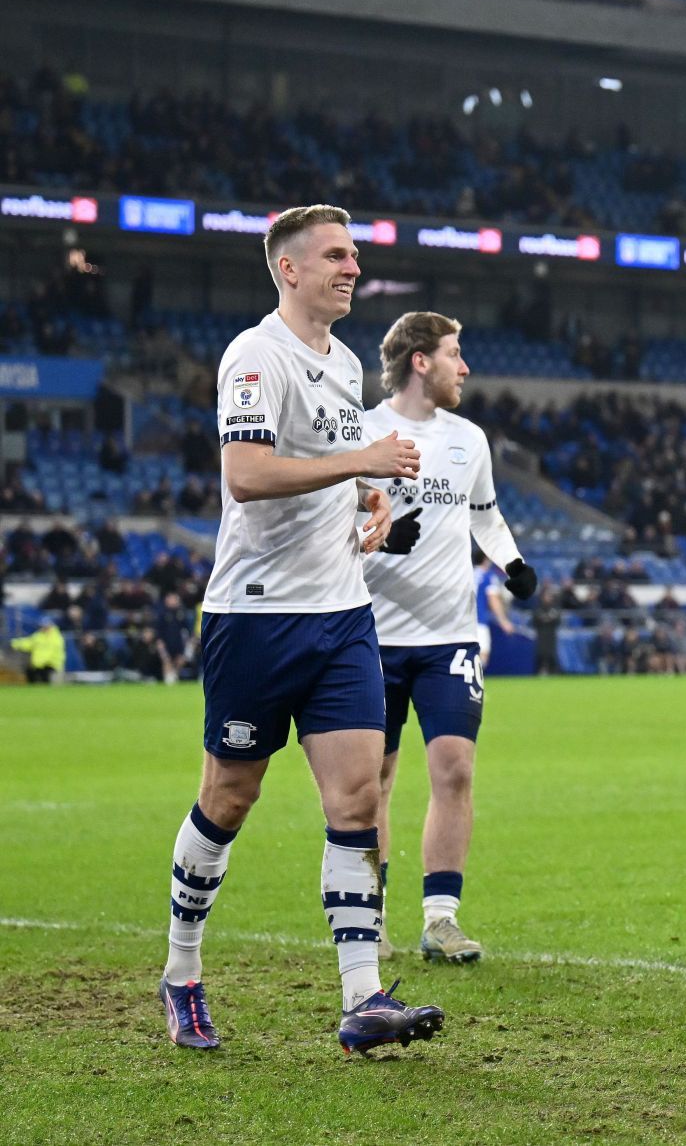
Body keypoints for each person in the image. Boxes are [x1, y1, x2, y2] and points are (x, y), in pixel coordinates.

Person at [158, 204, 448, 1056]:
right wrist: (361, 463)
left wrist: (369, 495)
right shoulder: (255, 355)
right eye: (334, 255)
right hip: (254, 617)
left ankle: (362, 999)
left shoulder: (345, 361)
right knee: (229, 797)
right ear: (289, 269)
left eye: (354, 255)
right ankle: (181, 975)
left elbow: (332, 459)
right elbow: (246, 474)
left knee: (357, 798)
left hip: (341, 616)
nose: (351, 267)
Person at [363, 311, 538, 966]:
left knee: (455, 770)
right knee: (372, 779)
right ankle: (369, 915)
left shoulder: (469, 439)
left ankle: (440, 919)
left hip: (449, 638)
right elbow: (328, 529)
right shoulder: (363, 433)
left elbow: (485, 517)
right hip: (371, 637)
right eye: (455, 354)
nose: (464, 368)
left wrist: (511, 563)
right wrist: (378, 542)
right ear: (420, 361)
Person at [472, 552, 517, 672]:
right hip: (479, 621)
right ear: (486, 560)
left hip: (463, 622)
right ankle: (475, 687)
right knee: (482, 655)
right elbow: (493, 599)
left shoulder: (467, 574)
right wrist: (504, 621)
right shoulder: (488, 576)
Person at [11, 616, 65, 683]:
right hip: (39, 664)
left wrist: (38, 663)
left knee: (44, 674)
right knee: (29, 672)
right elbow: (29, 643)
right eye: (42, 626)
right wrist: (15, 644)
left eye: (45, 626)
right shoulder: (38, 635)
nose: (43, 628)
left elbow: (49, 653)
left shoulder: (56, 638)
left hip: (51, 664)